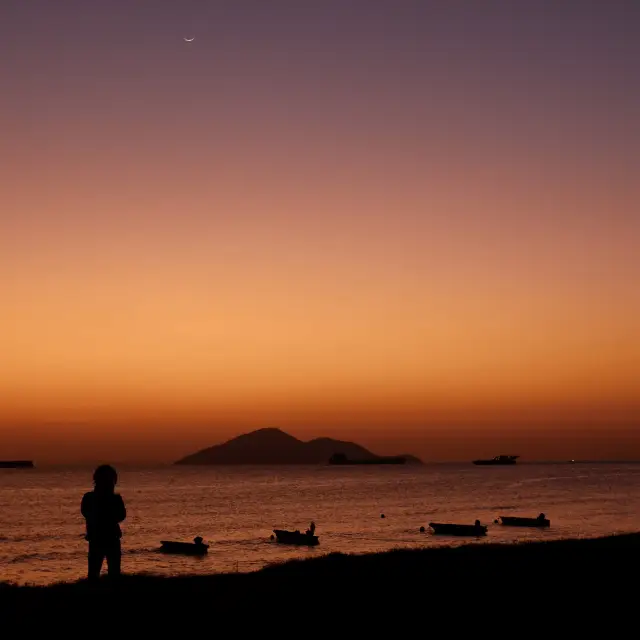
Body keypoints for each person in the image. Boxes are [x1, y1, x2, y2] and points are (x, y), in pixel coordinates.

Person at [81, 464, 126, 582]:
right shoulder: (91, 498)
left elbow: (121, 516)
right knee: (100, 573)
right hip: (103, 538)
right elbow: (120, 516)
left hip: (103, 538)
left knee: (103, 573)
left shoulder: (90, 498)